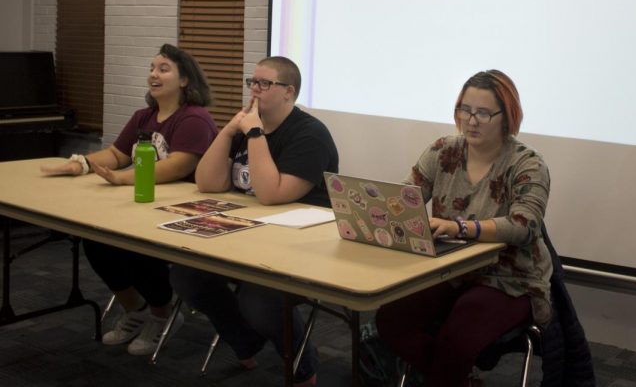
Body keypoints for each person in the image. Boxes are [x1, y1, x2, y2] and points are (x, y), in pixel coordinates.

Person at [375, 70, 554, 387]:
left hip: (509, 278)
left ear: (506, 116)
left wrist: (459, 227)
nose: (471, 120)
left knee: (457, 336)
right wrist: (376, 208)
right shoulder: (444, 150)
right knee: (391, 319)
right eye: (465, 110)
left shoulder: (527, 163)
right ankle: (454, 380)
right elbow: (407, 196)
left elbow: (524, 226)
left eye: (483, 113)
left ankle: (446, 378)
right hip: (448, 270)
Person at [170, 56, 338, 387]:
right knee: (186, 275)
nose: (255, 90)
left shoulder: (310, 134)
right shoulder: (246, 126)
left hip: (299, 243)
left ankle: (303, 368)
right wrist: (230, 130)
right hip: (247, 233)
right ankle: (244, 339)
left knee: (258, 298)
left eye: (264, 83)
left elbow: (271, 194)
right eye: (253, 82)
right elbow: (207, 182)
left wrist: (256, 133)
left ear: (289, 92)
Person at [40, 43, 218, 355]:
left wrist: (121, 178)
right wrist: (80, 164)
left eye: (163, 69)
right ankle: (136, 310)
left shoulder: (195, 118)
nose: (153, 74)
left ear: (185, 80)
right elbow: (116, 154)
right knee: (94, 240)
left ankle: (163, 315)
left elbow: (177, 166)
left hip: (177, 214)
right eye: (152, 68)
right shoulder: (142, 116)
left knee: (137, 251)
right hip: (139, 204)